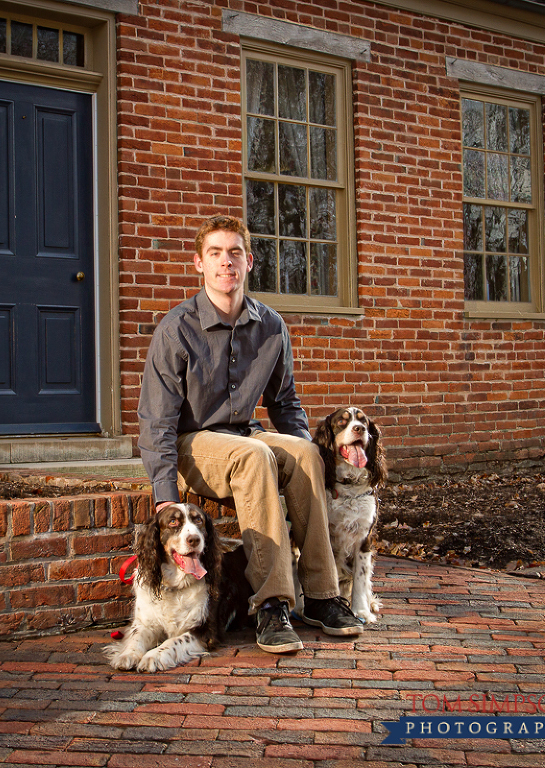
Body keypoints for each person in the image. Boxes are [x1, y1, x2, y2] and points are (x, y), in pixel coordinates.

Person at [137, 214, 364, 653]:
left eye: (235, 252)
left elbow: (285, 403)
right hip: (194, 444)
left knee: (301, 452)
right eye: (216, 254)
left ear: (249, 261)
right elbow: (157, 422)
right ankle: (272, 604)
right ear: (199, 264)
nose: (227, 262)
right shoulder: (176, 329)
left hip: (246, 435)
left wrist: (318, 464)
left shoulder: (271, 326)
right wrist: (165, 492)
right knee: (254, 457)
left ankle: (321, 595)